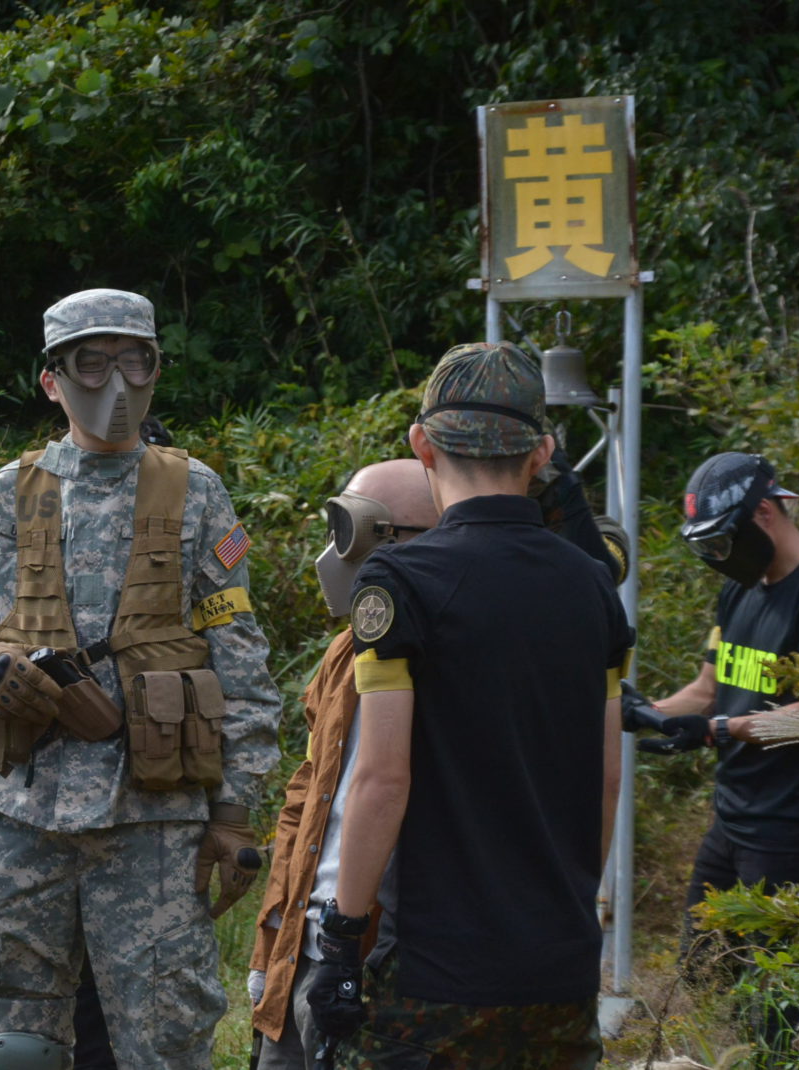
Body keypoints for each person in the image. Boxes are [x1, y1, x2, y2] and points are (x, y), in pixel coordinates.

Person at [0, 288, 281, 1069]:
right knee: (18, 1046)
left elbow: (240, 663)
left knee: (164, 1038)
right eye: (94, 363)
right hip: (21, 814)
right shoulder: (11, 492)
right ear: (53, 380)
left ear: (157, 370)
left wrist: (234, 811)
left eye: (137, 361)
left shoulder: (196, 492)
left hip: (152, 820)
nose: (119, 383)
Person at [306, 341, 633, 1069]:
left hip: (437, 975)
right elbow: (607, 778)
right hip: (560, 970)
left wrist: (341, 940)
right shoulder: (592, 587)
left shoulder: (401, 581)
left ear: (421, 444)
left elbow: (382, 780)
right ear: (541, 454)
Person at [630, 451, 799, 1059]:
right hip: (733, 819)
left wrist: (719, 730)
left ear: (763, 514)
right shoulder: (741, 593)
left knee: (778, 1003)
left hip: (794, 828)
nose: (719, 557)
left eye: (722, 541)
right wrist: (641, 711)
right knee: (703, 968)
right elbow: (706, 690)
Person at [248, 459, 436, 1069]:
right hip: (305, 951)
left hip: (384, 961)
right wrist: (269, 948)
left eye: (350, 531)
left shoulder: (453, 656)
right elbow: (304, 807)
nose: (334, 553)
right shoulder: (343, 652)